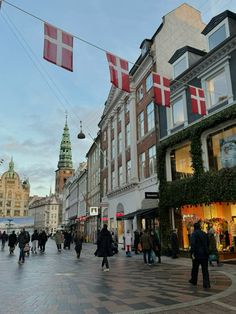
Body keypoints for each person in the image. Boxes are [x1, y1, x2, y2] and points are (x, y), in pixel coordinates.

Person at [189, 222, 210, 289]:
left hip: (197, 254)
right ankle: (206, 284)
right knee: (205, 269)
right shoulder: (204, 233)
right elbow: (208, 243)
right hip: (204, 254)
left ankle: (194, 280)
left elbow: (193, 244)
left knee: (195, 268)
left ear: (194, 227)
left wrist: (191, 252)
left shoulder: (194, 234)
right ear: (200, 227)